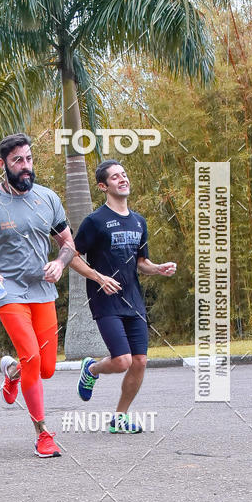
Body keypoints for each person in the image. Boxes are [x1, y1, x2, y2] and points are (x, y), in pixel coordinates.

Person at [0, 134, 76, 457]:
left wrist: (60, 264)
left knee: (45, 367)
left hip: (42, 289)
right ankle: (43, 433)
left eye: (29, 159)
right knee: (32, 357)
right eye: (18, 160)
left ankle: (12, 372)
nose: (25, 167)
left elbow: (68, 243)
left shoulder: (48, 198)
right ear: (3, 164)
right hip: (8, 292)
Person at [70, 160, 176, 433]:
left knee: (140, 361)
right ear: (103, 186)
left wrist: (158, 268)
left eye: (124, 175)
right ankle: (91, 369)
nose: (123, 179)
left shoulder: (139, 221)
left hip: (133, 298)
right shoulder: (94, 221)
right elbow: (72, 256)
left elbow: (141, 262)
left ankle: (120, 417)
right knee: (122, 360)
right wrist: (98, 277)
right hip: (105, 298)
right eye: (115, 177)